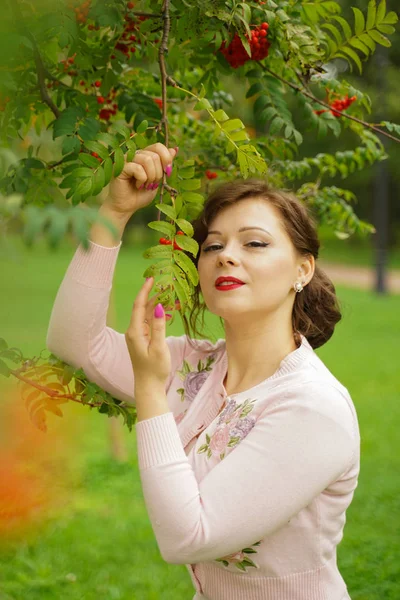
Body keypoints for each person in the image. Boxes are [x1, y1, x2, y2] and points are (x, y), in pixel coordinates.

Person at [46, 143, 360, 600]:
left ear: (302, 268)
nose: (226, 256)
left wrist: (151, 392)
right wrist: (112, 213)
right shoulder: (199, 366)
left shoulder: (313, 408)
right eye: (212, 245)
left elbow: (188, 537)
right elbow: (73, 342)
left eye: (254, 242)